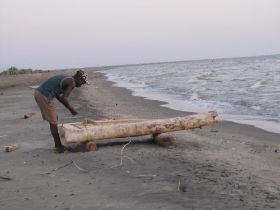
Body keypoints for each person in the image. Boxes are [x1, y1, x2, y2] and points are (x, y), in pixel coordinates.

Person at [34, 70, 89, 153]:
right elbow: (64, 98)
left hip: (39, 93)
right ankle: (58, 147)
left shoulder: (67, 78)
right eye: (83, 82)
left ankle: (57, 145)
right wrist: (72, 110)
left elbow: (58, 95)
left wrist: (70, 109)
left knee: (54, 117)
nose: (82, 85)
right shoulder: (72, 82)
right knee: (53, 122)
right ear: (79, 78)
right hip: (43, 95)